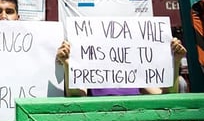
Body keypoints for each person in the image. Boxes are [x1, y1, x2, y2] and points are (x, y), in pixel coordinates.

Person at [56, 37, 187, 97]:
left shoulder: (134, 73)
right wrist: (68, 65)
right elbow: (76, 96)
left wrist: (174, 62)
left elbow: (165, 96)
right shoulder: (91, 71)